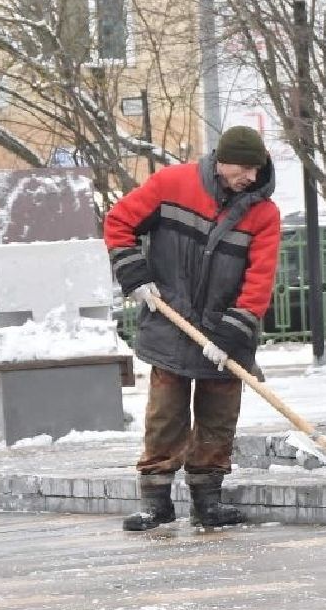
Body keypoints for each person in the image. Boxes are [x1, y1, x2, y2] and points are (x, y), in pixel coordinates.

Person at [105, 125, 280, 530]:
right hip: (171, 319)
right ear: (221, 161)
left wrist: (232, 334)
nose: (250, 178)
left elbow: (259, 281)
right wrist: (135, 276)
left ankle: (208, 501)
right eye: (243, 169)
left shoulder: (263, 215)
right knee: (165, 415)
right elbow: (118, 223)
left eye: (256, 170)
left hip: (226, 329)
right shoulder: (172, 184)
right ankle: (156, 501)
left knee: (218, 417)